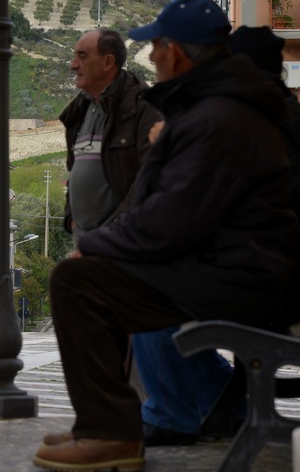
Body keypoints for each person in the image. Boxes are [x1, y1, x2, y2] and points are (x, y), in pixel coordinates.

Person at [32, 0, 297, 471]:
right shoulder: (219, 108)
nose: (151, 56)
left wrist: (92, 245)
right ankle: (112, 427)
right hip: (236, 267)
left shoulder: (218, 117)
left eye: (154, 46)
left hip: (240, 277)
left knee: (79, 282)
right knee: (99, 275)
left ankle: (110, 433)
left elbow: (169, 220)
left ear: (173, 51)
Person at [129, 25, 300, 447]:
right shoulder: (278, 113)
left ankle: (180, 412)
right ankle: (218, 404)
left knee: (144, 294)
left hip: (270, 282)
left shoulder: (245, 120)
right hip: (275, 272)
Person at [59, 29, 162, 241]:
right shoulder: (79, 111)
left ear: (108, 62)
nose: (73, 65)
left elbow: (149, 178)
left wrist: (112, 232)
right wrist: (72, 218)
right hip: (86, 242)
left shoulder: (142, 107)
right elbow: (74, 170)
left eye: (83, 56)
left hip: (123, 244)